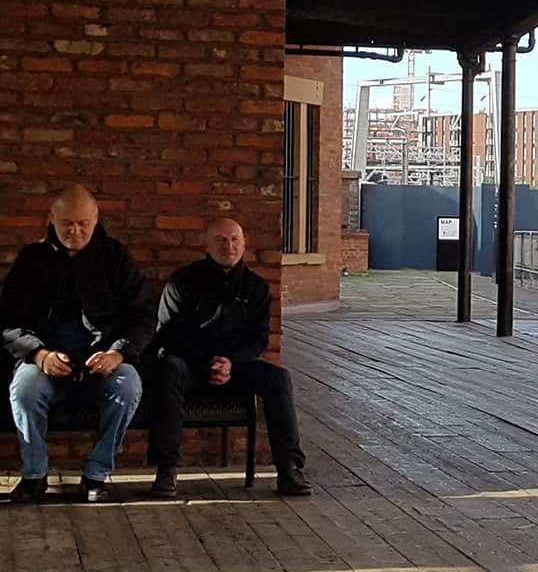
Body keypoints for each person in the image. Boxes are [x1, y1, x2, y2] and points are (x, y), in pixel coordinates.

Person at [2, 185, 153, 503]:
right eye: (67, 223)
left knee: (128, 385)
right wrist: (38, 353)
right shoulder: (32, 259)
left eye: (84, 223)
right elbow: (9, 322)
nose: (75, 231)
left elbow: (142, 315)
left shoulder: (115, 257)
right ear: (51, 218)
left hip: (103, 362)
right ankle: (34, 475)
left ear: (96, 219)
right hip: (47, 362)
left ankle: (96, 474)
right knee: (24, 388)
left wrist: (119, 352)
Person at [145, 217, 312, 497]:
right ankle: (166, 470)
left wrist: (230, 362)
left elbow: (258, 339)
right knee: (168, 369)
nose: (229, 246)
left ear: (244, 244)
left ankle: (288, 469)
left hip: (236, 366)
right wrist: (206, 362)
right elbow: (168, 334)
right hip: (191, 365)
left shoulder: (256, 287)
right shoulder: (183, 281)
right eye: (220, 240)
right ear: (206, 245)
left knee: (278, 378)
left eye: (235, 240)